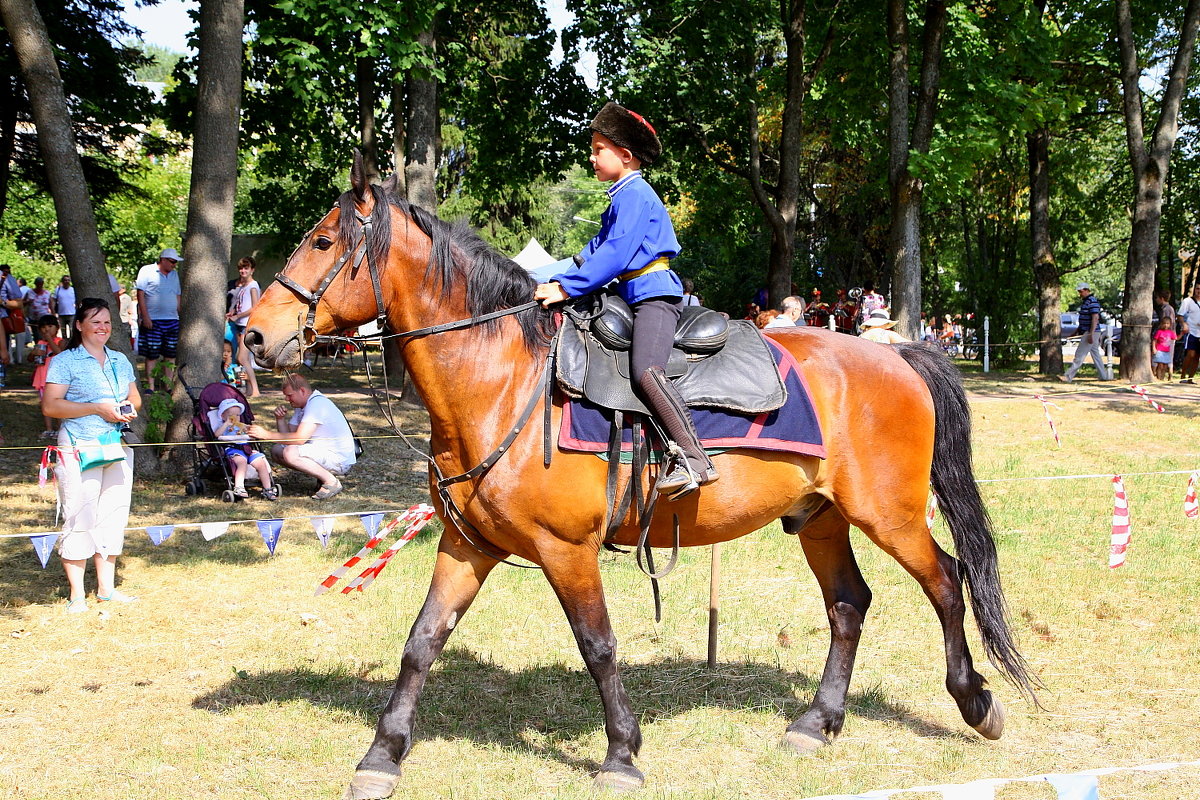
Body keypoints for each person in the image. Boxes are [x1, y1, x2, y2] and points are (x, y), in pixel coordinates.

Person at [532, 101, 716, 498]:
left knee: (647, 370)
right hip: (628, 294)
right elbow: (592, 252)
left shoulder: (635, 195)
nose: (591, 156)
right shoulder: (620, 197)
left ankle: (694, 458)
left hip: (654, 296)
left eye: (599, 149)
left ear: (626, 156)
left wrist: (566, 288)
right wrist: (540, 278)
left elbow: (614, 254)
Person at [40, 297, 141, 612]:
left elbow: (135, 397)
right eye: (95, 321)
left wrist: (126, 410)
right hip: (78, 446)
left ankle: (106, 590)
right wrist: (97, 408)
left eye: (107, 321)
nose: (103, 327)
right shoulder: (65, 361)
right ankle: (77, 596)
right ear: (80, 325)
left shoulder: (119, 359)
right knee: (80, 514)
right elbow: (51, 405)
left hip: (116, 445)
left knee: (113, 512)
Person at [248, 374, 356, 500]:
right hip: (324, 452)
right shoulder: (303, 406)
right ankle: (322, 477)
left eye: (289, 395)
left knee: (290, 452)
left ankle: (331, 481)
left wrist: (266, 435)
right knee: (278, 450)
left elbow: (299, 439)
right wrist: (280, 420)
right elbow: (288, 437)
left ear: (302, 391)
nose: (286, 399)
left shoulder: (317, 404)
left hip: (340, 459)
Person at [136, 248, 183, 393]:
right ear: (163, 260)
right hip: (153, 320)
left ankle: (167, 386)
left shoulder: (174, 275)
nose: (174, 265)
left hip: (172, 319)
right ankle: (150, 386)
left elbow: (177, 295)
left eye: (175, 262)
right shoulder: (147, 271)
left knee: (170, 355)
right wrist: (145, 317)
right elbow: (140, 294)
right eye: (172, 261)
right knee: (152, 354)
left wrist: (179, 315)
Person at [212, 398, 277, 500]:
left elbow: (250, 432)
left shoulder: (241, 425)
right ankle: (239, 487)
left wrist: (249, 429)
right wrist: (226, 424)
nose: (235, 418)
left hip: (247, 449)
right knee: (241, 462)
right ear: (222, 416)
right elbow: (216, 435)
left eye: (238, 415)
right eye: (231, 416)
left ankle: (268, 488)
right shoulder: (222, 426)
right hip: (234, 449)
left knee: (261, 463)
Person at [226, 256, 262, 396]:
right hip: (239, 325)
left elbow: (255, 308)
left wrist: (238, 316)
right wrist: (232, 313)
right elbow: (240, 306)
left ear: (252, 270)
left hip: (247, 325)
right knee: (242, 359)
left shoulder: (253, 286)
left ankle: (256, 390)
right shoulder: (243, 287)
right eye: (241, 268)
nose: (243, 271)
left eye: (246, 268)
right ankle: (247, 389)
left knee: (242, 358)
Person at [1060, 283, 1110, 382]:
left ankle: (1068, 376)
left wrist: (1090, 334)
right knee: (1095, 354)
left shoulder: (1092, 301)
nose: (1080, 294)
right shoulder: (1086, 302)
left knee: (1080, 354)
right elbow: (1084, 319)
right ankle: (1104, 376)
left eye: (1081, 292)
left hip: (1091, 332)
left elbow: (1095, 318)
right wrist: (1076, 331)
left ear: (1087, 290)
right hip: (1089, 331)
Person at [32, 314, 64, 438]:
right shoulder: (40, 343)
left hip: (56, 379)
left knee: (58, 404)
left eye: (50, 326)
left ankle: (60, 428)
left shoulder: (60, 341)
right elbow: (32, 359)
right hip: (42, 378)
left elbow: (60, 353)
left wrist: (49, 340)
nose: (47, 329)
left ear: (57, 327)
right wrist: (34, 353)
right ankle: (49, 429)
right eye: (43, 327)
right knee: (45, 404)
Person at [1, 264, 28, 365]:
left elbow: (19, 303)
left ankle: (15, 359)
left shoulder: (7, 279)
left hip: (4, 321)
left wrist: (2, 302)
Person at [1178, 283, 1200, 384]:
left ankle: (1190, 378)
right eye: (1197, 289)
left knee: (1197, 356)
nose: (1199, 291)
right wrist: (1184, 324)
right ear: (1194, 289)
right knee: (1190, 354)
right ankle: (1183, 376)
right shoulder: (1188, 301)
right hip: (1192, 331)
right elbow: (1180, 315)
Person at [1152, 316, 1178, 382]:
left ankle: (1162, 378)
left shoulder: (1171, 332)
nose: (1166, 325)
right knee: (1160, 365)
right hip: (1159, 350)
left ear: (1170, 325)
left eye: (1167, 323)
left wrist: (1182, 333)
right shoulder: (1159, 332)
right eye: (1164, 323)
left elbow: (1176, 338)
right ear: (1161, 324)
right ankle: (1158, 377)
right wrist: (1154, 348)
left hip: (1167, 351)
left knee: (1165, 366)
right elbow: (1154, 340)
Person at [51, 274, 76, 339]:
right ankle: (64, 344)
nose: (66, 281)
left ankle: (71, 344)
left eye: (68, 280)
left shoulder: (73, 290)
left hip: (72, 314)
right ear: (62, 281)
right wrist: (53, 311)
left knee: (72, 331)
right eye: (65, 280)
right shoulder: (58, 290)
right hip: (61, 314)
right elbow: (53, 300)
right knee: (63, 332)